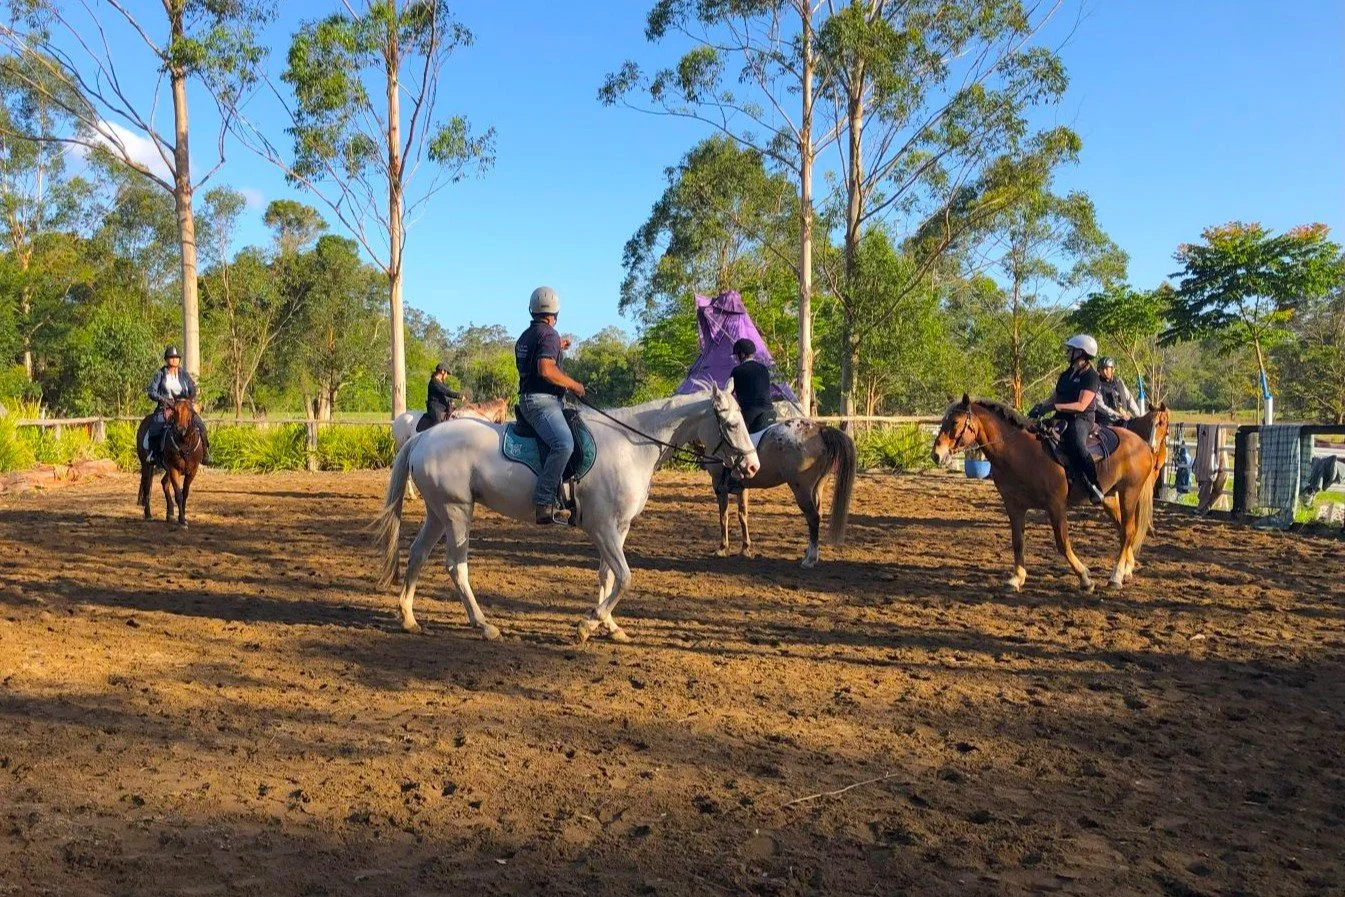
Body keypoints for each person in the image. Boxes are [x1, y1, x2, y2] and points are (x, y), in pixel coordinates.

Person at [515, 286, 586, 525]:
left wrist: (558, 345)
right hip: (542, 402)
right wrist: (574, 385)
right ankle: (544, 499)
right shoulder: (549, 335)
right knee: (564, 444)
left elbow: (540, 352)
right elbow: (545, 369)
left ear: (532, 311)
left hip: (528, 399)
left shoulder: (526, 336)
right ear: (554, 314)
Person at [1029, 334, 1105, 504]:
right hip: (1061, 416)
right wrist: (1040, 407)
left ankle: (1093, 484)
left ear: (1080, 353)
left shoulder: (1091, 377)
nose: (1067, 353)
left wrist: (1054, 407)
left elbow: (1081, 405)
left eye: (1070, 350)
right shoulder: (1066, 374)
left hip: (1081, 419)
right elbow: (1054, 397)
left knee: (1076, 444)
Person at [145, 345, 211, 464]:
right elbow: (151, 391)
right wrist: (165, 400)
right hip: (166, 407)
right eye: (171, 357)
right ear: (166, 359)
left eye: (176, 357)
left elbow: (192, 389)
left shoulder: (183, 374)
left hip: (184, 407)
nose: (174, 359)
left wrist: (190, 401)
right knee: (155, 426)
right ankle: (153, 454)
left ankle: (205, 454)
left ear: (179, 359)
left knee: (201, 426)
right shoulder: (160, 374)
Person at [728, 338, 777, 433]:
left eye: (737, 356)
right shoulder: (763, 369)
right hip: (770, 413)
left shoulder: (737, 371)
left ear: (741, 354)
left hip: (750, 419)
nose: (736, 359)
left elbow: (728, 394)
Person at [1095, 356, 1141, 424]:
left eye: (1107, 368)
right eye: (1102, 369)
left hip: (1123, 421)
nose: (1104, 371)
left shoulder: (1119, 382)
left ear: (1112, 369)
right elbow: (1100, 406)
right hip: (1106, 422)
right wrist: (1118, 415)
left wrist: (1139, 417)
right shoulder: (1097, 384)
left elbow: (1129, 399)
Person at [424, 363, 463, 427]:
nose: (447, 375)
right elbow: (447, 392)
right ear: (442, 371)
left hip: (442, 406)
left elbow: (446, 395)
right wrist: (459, 395)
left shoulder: (441, 382)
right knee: (437, 423)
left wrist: (451, 401)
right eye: (447, 373)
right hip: (435, 408)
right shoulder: (434, 382)